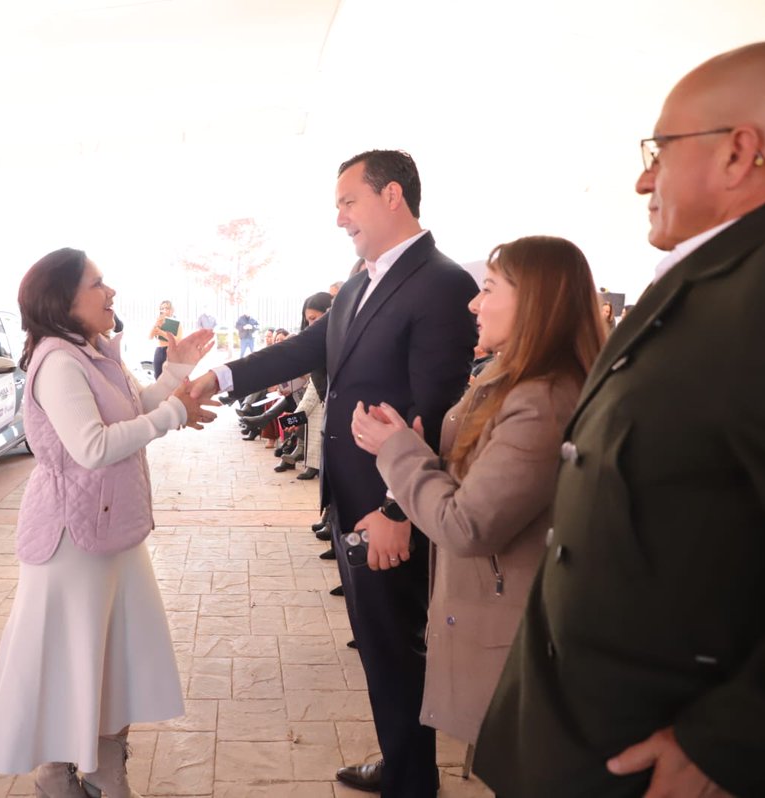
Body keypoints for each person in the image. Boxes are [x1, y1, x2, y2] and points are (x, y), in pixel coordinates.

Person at [476, 42, 765, 797]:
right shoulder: (716, 280)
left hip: (666, 761)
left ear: (738, 153)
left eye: (660, 150)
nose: (641, 178)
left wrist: (729, 744)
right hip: (585, 739)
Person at [191, 149, 477, 797]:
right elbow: (304, 349)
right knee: (379, 650)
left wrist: (399, 511)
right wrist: (220, 379)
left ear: (393, 196)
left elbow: (438, 412)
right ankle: (402, 762)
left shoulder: (441, 284)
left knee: (399, 649)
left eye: (349, 201)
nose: (340, 216)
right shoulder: (361, 282)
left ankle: (413, 781)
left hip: (389, 507)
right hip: (350, 499)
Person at [349, 235, 603, 756]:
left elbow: (468, 525)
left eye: (488, 289)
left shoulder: (541, 401)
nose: (473, 303)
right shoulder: (513, 379)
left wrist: (397, 453)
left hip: (514, 636)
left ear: (534, 301)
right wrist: (415, 448)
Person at [0, 248, 219, 798]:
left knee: (113, 657)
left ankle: (104, 771)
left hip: (111, 530)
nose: (111, 292)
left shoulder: (93, 351)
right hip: (73, 542)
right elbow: (92, 446)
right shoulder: (59, 361)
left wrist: (177, 370)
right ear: (63, 300)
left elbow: (134, 407)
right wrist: (175, 414)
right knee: (73, 659)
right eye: (98, 283)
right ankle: (58, 774)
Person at [275, 291, 334, 479]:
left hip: (333, 402)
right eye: (309, 320)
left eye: (315, 318)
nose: (312, 325)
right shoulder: (316, 346)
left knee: (308, 409)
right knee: (307, 410)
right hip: (317, 395)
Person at [149, 300, 181, 380]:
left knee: (171, 379)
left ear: (172, 310)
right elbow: (150, 337)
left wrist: (161, 333)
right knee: (158, 378)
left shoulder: (177, 324)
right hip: (159, 351)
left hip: (171, 352)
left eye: (167, 308)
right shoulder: (159, 322)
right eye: (162, 308)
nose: (164, 311)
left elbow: (177, 340)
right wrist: (156, 324)